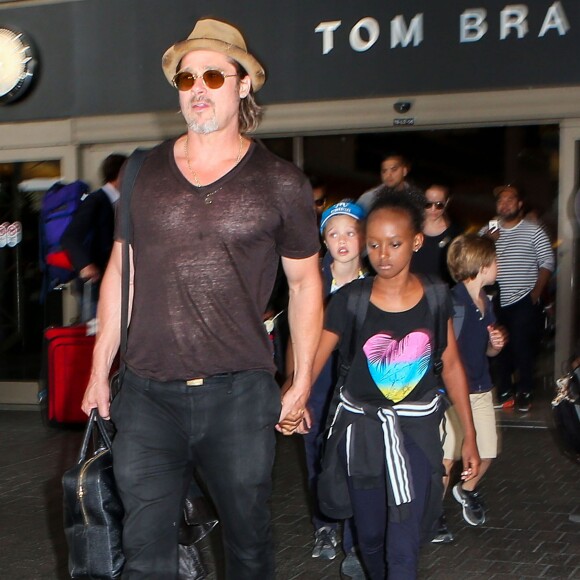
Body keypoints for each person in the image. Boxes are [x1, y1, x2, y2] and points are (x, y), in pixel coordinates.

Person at [81, 18, 323, 580]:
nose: (198, 87)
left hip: (239, 396)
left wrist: (302, 379)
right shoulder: (142, 170)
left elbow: (307, 283)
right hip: (147, 397)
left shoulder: (281, 182)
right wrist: (99, 370)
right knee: (145, 556)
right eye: (187, 76)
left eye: (214, 74)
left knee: (247, 546)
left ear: (243, 86)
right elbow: (124, 270)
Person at [307, 191, 480, 579]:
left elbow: (451, 365)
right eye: (373, 244)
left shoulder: (435, 295)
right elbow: (316, 356)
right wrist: (295, 396)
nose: (383, 254)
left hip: (416, 432)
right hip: (362, 433)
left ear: (417, 241)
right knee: (369, 536)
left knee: (404, 543)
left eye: (395, 243)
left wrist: (468, 434)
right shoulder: (351, 300)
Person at [302, 201, 366, 576]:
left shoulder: (378, 280)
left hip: (361, 389)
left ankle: (355, 541)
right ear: (323, 240)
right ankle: (324, 526)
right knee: (319, 459)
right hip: (318, 384)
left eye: (350, 231)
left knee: (358, 463)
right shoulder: (309, 281)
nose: (342, 240)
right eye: (333, 233)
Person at [432, 234, 507, 543]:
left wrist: (495, 346)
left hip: (480, 388)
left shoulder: (485, 301)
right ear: (482, 265)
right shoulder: (453, 303)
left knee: (488, 450)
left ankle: (467, 491)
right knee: (447, 457)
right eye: (495, 261)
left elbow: (487, 352)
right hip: (451, 393)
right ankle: (432, 515)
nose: (498, 266)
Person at [482, 184, 554, 412]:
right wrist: (489, 241)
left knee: (523, 347)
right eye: (500, 201)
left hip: (523, 298)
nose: (504, 204)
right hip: (494, 299)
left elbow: (547, 262)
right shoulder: (487, 232)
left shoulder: (533, 231)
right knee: (498, 345)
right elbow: (473, 259)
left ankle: (525, 391)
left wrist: (536, 293)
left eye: (510, 199)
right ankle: (504, 390)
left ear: (520, 204)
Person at [61, 154, 127, 315]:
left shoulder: (120, 202)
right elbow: (70, 237)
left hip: (111, 283)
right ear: (120, 174)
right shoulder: (96, 201)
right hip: (95, 285)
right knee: (97, 333)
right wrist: (85, 265)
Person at [411, 184, 462, 286]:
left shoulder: (454, 233)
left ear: (446, 202)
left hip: (441, 293)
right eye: (428, 204)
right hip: (411, 289)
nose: (433, 209)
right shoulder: (410, 227)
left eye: (439, 205)